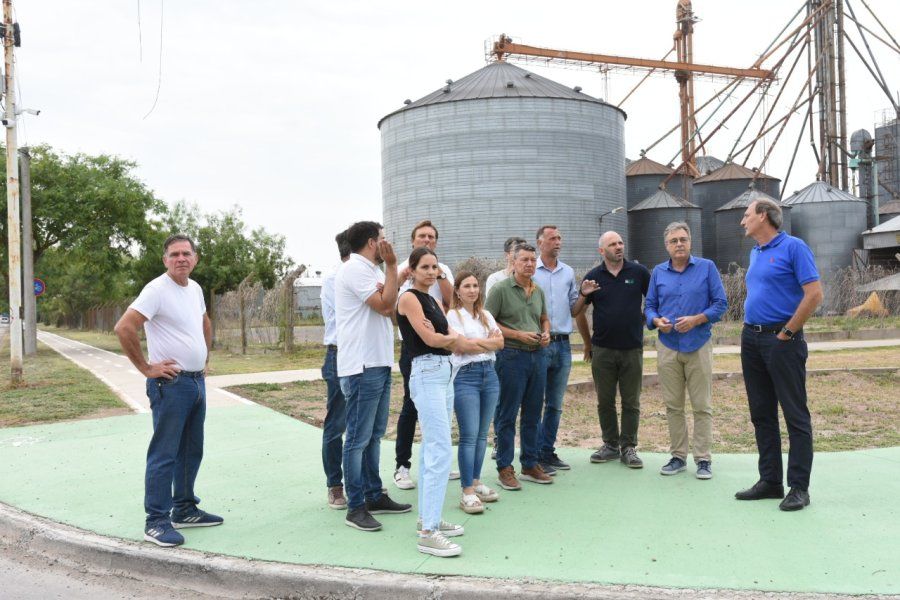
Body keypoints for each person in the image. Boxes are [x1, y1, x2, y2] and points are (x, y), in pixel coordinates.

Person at [114, 234, 222, 548]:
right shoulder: (157, 290)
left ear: (195, 258)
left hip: (195, 382)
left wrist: (204, 356)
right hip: (170, 385)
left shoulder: (196, 289)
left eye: (186, 253)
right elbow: (124, 327)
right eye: (174, 254)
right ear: (165, 260)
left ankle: (185, 509)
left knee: (191, 450)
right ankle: (157, 522)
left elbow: (205, 322)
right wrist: (146, 368)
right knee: (165, 454)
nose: (181, 259)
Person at [735, 199, 822, 512]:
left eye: (746, 215)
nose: (742, 221)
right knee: (761, 413)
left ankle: (799, 487)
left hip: (782, 340)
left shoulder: (794, 247)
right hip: (752, 338)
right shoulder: (755, 252)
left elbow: (814, 294)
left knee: (795, 415)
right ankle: (770, 481)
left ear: (762, 216)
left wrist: (788, 331)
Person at [335, 221, 412, 532]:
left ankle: (373, 494)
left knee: (375, 434)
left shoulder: (373, 271)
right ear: (371, 242)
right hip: (361, 366)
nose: (387, 243)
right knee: (356, 438)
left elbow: (390, 309)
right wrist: (394, 267)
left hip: (378, 363)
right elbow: (384, 304)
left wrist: (391, 277)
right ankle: (355, 507)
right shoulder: (355, 269)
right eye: (383, 238)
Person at [397, 247, 468, 556]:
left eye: (434, 267)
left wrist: (448, 338)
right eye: (424, 266)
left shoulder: (435, 300)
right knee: (439, 448)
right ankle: (428, 533)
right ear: (411, 270)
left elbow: (453, 335)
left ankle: (430, 517)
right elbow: (433, 340)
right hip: (425, 370)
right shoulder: (409, 298)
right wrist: (447, 338)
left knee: (432, 448)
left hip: (444, 371)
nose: (430, 271)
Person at [645, 222, 727, 480]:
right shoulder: (658, 272)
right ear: (666, 246)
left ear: (690, 242)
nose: (679, 244)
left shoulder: (707, 268)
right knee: (673, 406)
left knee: (702, 405)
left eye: (683, 239)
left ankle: (703, 459)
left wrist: (697, 319)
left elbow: (720, 303)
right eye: (673, 241)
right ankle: (678, 456)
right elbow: (649, 306)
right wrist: (656, 321)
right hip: (668, 347)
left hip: (698, 344)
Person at [573, 231, 651, 469]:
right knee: (604, 401)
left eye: (620, 243)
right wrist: (584, 295)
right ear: (601, 251)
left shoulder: (639, 272)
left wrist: (648, 319)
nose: (618, 247)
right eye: (612, 244)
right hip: (603, 350)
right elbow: (576, 312)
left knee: (631, 401)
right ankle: (610, 444)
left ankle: (629, 447)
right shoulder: (593, 277)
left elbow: (655, 300)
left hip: (632, 349)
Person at [393, 220, 456, 491]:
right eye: (422, 236)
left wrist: (439, 274)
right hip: (414, 349)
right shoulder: (401, 274)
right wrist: (401, 277)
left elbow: (450, 303)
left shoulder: (443, 271)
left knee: (441, 409)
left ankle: (435, 459)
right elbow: (390, 306)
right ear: (413, 240)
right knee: (411, 406)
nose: (427, 240)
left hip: (442, 351)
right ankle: (402, 465)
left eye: (431, 237)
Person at [485, 243, 553, 489]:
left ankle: (530, 464)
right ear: (513, 262)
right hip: (511, 357)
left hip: (537, 357)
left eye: (533, 260)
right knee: (507, 414)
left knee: (534, 414)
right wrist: (517, 335)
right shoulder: (500, 289)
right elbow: (488, 324)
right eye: (524, 260)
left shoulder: (538, 291)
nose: (530, 264)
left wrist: (546, 332)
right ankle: (505, 468)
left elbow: (544, 318)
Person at [532, 225, 593, 475]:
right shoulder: (530, 271)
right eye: (552, 238)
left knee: (555, 404)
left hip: (563, 345)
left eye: (559, 238)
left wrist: (584, 295)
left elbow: (574, 310)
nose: (558, 242)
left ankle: (548, 452)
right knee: (535, 402)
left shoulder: (568, 272)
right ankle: (534, 454)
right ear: (540, 243)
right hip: (538, 344)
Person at [446, 271, 504, 514]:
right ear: (457, 291)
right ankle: (466, 491)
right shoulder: (453, 315)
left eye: (475, 286)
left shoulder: (486, 315)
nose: (472, 290)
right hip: (465, 377)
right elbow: (459, 346)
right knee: (469, 435)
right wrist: (485, 342)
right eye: (466, 286)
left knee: (482, 434)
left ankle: (477, 481)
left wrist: (476, 344)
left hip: (489, 374)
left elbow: (500, 343)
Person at [320, 230, 352, 509]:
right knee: (337, 424)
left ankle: (360, 483)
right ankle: (335, 485)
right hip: (340, 355)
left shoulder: (365, 275)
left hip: (360, 356)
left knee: (361, 425)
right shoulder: (336, 278)